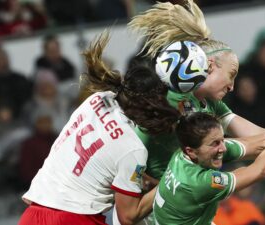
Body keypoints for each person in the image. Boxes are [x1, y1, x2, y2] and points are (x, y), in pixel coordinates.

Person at [129, 0, 265, 182]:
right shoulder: (169, 95)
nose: (232, 85)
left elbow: (260, 137)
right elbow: (134, 145)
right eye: (231, 74)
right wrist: (139, 181)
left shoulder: (210, 104)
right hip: (155, 203)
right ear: (211, 65)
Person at [18, 30, 180, 225]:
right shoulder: (133, 148)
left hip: (34, 214)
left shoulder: (95, 100)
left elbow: (103, 158)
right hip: (73, 218)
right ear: (148, 104)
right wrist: (168, 182)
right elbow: (127, 216)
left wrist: (141, 179)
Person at [153, 96, 265, 224]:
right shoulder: (199, 183)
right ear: (191, 151)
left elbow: (254, 144)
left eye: (222, 140)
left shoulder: (185, 152)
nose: (223, 148)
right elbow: (260, 171)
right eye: (215, 143)